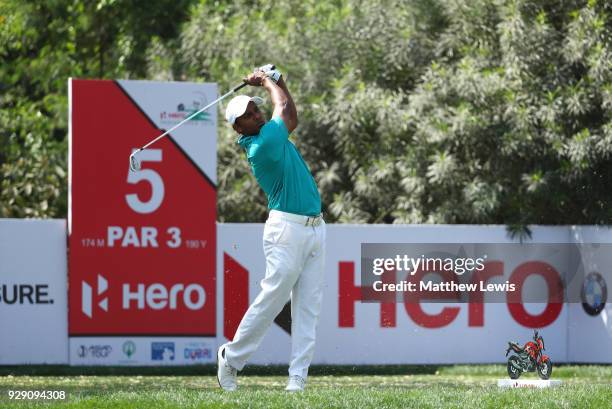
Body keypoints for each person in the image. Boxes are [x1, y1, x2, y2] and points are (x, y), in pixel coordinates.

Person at [217, 65, 326, 392]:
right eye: (249, 114)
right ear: (240, 127)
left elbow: (289, 114)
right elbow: (283, 109)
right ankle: (231, 357)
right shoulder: (260, 145)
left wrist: (278, 81)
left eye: (256, 108)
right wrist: (266, 82)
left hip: (315, 228)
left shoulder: (270, 131)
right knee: (273, 299)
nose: (257, 114)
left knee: (308, 307)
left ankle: (298, 380)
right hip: (286, 230)